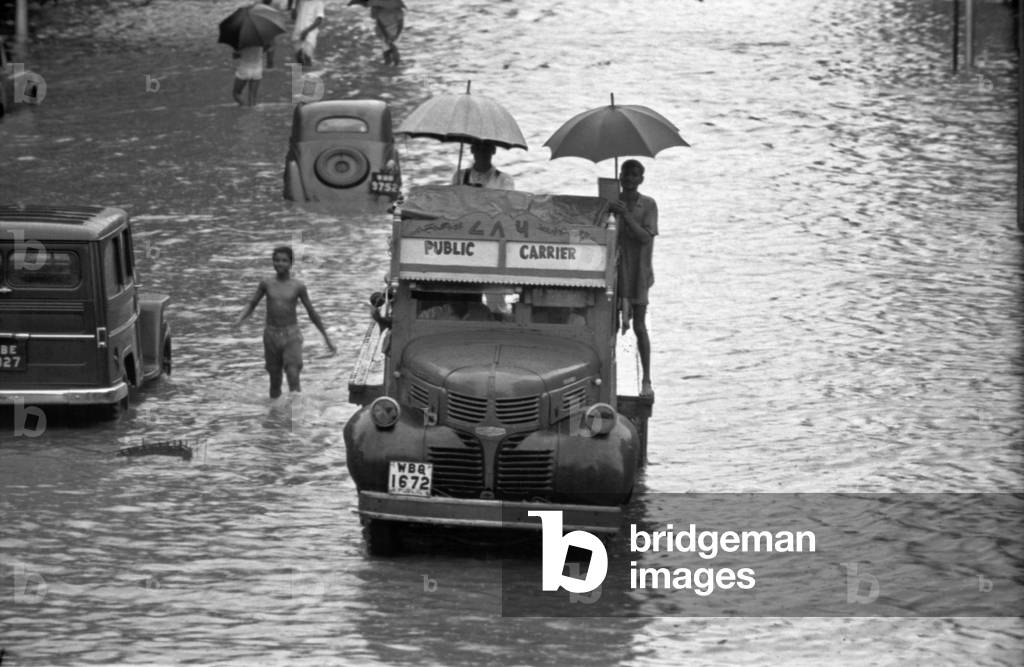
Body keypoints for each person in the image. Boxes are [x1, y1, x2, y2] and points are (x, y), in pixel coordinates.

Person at [235, 246, 336, 398]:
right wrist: (240, 318)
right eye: (276, 260)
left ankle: (294, 416)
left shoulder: (298, 286)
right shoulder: (266, 284)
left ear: (291, 263)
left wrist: (327, 339)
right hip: (271, 335)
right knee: (274, 380)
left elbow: (312, 313)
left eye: (284, 261)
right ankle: (275, 417)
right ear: (272, 262)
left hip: (291, 335)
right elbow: (252, 303)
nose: (280, 264)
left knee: (293, 374)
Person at [608, 159, 658, 398]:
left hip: (638, 270)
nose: (628, 178)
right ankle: (607, 378)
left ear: (641, 179)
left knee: (639, 325)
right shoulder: (610, 200)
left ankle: (646, 379)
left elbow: (645, 238)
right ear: (620, 176)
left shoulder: (648, 205)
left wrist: (625, 215)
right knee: (609, 325)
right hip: (614, 269)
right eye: (625, 173)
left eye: (634, 174)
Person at [451, 141, 515, 190]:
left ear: (493, 150)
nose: (481, 153)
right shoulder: (459, 176)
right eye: (478, 148)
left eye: (486, 148)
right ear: (472, 150)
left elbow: (507, 205)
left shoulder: (504, 180)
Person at [293, 0, 326, 68]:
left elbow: (319, 20)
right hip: (297, 32)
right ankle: (296, 78)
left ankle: (307, 76)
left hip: (309, 36)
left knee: (306, 58)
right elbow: (293, 16)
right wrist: (295, 5)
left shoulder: (318, 3)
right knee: (298, 60)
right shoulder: (301, 2)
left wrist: (307, 31)